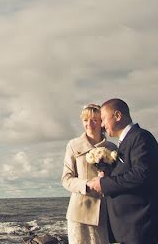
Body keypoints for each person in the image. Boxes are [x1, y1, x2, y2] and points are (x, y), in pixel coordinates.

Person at [87, 98, 158, 244]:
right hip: (128, 228)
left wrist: (104, 184)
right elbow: (126, 173)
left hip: (140, 226)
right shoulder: (125, 142)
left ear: (118, 116)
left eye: (104, 119)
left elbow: (141, 175)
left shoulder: (141, 138)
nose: (103, 125)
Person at [61, 103, 119, 244]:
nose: (89, 124)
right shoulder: (73, 145)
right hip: (79, 213)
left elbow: (118, 179)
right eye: (85, 120)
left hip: (103, 213)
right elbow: (66, 179)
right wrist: (87, 184)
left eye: (94, 120)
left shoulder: (111, 148)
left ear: (102, 122)